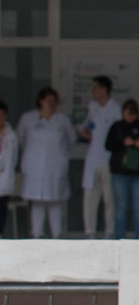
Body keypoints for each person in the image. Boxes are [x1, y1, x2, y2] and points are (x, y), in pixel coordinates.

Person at [16, 88, 77, 239]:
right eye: (48, 100)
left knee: (54, 201)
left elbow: (71, 140)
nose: (52, 103)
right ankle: (36, 235)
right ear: (40, 101)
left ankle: (57, 235)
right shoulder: (28, 119)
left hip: (55, 167)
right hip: (34, 167)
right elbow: (20, 139)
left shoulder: (62, 120)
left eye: (54, 100)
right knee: (37, 202)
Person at [102, 100, 139, 240]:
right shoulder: (117, 126)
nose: (130, 117)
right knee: (120, 208)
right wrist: (123, 143)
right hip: (120, 173)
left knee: (138, 208)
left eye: (133, 114)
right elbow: (108, 145)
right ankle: (119, 238)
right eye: (127, 114)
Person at [77, 76, 115, 239]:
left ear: (104, 89)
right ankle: (90, 234)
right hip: (93, 159)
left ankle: (109, 234)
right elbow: (86, 124)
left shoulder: (115, 109)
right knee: (90, 199)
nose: (92, 92)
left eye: (95, 88)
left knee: (109, 200)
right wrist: (83, 130)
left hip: (108, 160)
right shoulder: (92, 107)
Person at [0, 99, 18, 237]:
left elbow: (14, 158)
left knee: (1, 210)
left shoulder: (11, 135)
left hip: (4, 179)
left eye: (2, 115)